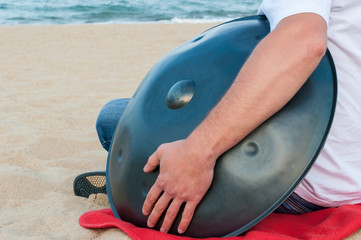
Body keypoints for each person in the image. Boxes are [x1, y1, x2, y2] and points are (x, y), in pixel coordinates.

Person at [75, 0, 361, 235]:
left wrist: (196, 154)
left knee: (113, 118)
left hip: (304, 182)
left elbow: (302, 42)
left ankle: (155, 179)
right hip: (353, 175)